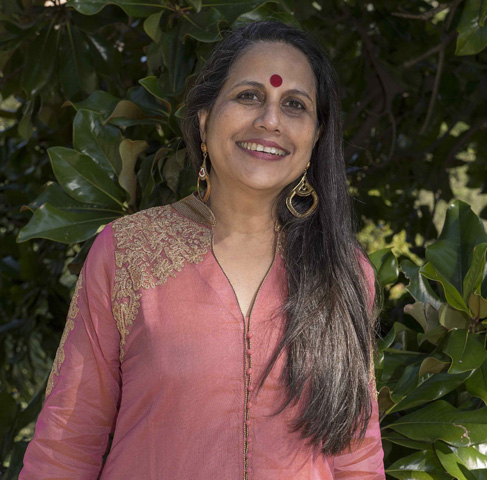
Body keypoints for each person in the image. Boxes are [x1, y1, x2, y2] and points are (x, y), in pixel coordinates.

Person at [20, 20, 385, 479]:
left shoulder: (343, 271)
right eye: (249, 95)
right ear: (205, 119)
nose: (270, 120)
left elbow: (356, 456)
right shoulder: (129, 253)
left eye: (294, 104)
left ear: (314, 139)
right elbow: (67, 444)